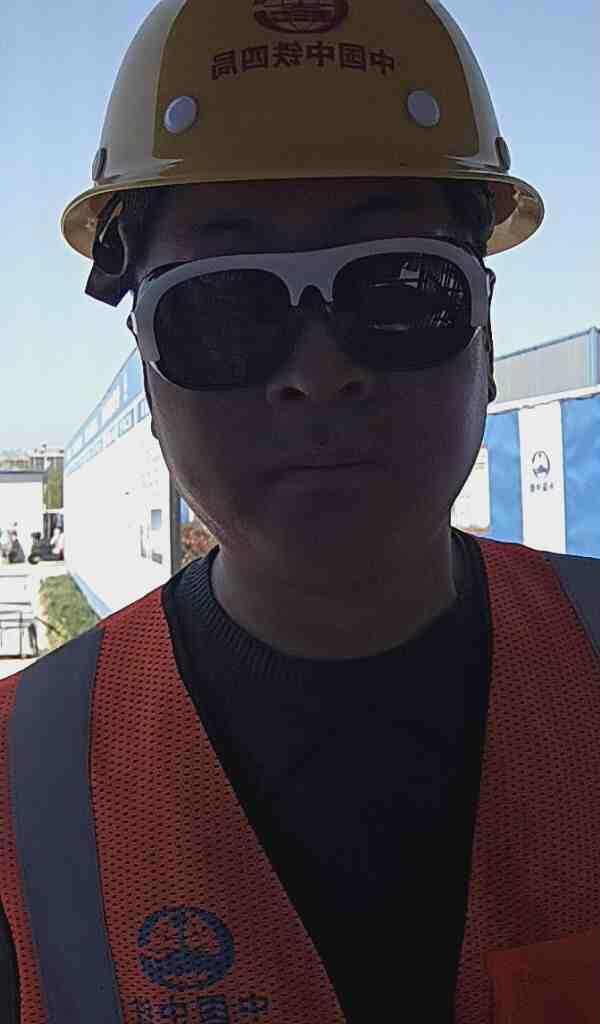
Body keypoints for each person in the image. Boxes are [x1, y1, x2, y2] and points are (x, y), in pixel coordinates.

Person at [1, 2, 599, 1022]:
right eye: (225, 309)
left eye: (400, 290)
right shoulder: (17, 793)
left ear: (486, 340)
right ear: (148, 371)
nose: (319, 375)